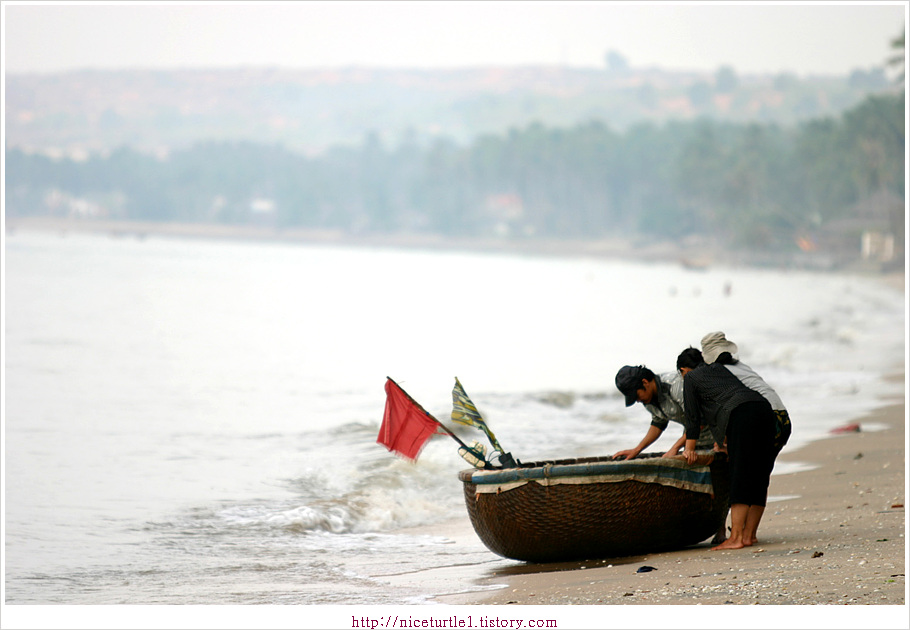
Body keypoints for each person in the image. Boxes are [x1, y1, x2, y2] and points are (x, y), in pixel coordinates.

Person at [678, 347, 781, 551]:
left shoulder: (691, 379)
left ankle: (736, 538)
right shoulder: (718, 369)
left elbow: (693, 418)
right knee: (759, 476)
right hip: (764, 409)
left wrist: (689, 449)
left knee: (740, 475)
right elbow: (727, 399)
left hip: (741, 415)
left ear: (684, 370)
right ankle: (749, 535)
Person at [700, 331, 791, 456]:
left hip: (761, 418)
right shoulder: (741, 366)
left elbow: (724, 409)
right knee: (761, 468)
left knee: (743, 468)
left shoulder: (718, 373)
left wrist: (720, 443)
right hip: (782, 417)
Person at [612, 365, 716, 461]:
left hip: (719, 437)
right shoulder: (648, 399)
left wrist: (675, 448)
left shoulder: (675, 386)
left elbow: (699, 420)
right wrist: (636, 450)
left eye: (637, 396)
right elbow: (658, 423)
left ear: (645, 382)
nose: (638, 400)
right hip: (693, 443)